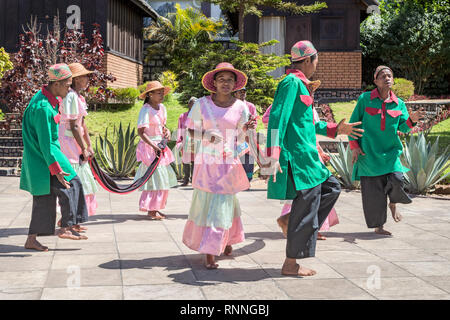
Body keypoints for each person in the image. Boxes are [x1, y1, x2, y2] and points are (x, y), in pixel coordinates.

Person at [264, 40, 363, 276]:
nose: (317, 65)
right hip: (299, 158)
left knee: (332, 188)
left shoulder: (302, 86)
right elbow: (278, 119)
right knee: (307, 208)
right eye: (316, 60)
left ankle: (290, 220)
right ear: (308, 59)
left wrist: (336, 129)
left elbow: (309, 123)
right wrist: (274, 154)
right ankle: (291, 264)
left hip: (311, 158)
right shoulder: (290, 83)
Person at [182, 62, 257, 269]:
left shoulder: (241, 107)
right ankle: (210, 249)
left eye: (230, 80)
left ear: (235, 84)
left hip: (229, 162)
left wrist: (245, 128)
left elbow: (240, 137)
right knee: (209, 202)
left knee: (225, 202)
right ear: (213, 83)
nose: (225, 83)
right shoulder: (201, 104)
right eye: (221, 79)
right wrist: (206, 135)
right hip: (207, 162)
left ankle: (225, 240)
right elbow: (190, 130)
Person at [348, 65, 425, 236]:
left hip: (390, 154)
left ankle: (393, 203)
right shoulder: (364, 99)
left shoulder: (399, 104)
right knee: (373, 194)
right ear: (375, 81)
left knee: (397, 179)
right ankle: (379, 226)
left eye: (390, 75)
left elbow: (404, 129)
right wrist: (354, 147)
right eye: (382, 76)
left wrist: (411, 121)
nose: (387, 78)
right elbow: (353, 125)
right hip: (368, 154)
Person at [20, 63, 89, 251]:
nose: (69, 88)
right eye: (67, 85)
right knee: (70, 185)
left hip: (47, 155)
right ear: (56, 83)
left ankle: (33, 239)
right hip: (44, 158)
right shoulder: (42, 107)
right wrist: (57, 170)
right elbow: (45, 143)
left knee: (46, 197)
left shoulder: (47, 99)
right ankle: (66, 226)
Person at [262, 93, 339, 240]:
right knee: (309, 194)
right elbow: (271, 121)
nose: (309, 91)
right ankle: (298, 226)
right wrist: (274, 156)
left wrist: (321, 150)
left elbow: (311, 131)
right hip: (298, 157)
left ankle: (302, 225)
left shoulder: (309, 107)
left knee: (324, 191)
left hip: (311, 155)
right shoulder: (286, 101)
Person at [58, 63, 98, 226]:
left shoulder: (78, 97)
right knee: (73, 177)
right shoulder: (71, 96)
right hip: (69, 142)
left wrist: (88, 145)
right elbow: (74, 126)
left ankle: (73, 219)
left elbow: (82, 124)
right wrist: (83, 148)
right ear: (75, 80)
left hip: (75, 141)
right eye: (84, 76)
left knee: (80, 178)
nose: (87, 79)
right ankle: (67, 219)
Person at [134, 81, 178, 220]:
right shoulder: (146, 110)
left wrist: (167, 131)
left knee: (162, 178)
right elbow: (141, 132)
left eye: (162, 92)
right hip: (150, 147)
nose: (161, 95)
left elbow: (162, 125)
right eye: (158, 93)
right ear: (150, 95)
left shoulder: (162, 107)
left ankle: (156, 207)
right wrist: (154, 146)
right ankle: (151, 209)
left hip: (160, 146)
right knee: (155, 177)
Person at [234, 87, 257, 183]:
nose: (242, 93)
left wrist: (251, 124)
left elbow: (255, 120)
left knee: (248, 158)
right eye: (240, 92)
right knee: (238, 158)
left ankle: (248, 179)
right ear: (235, 94)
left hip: (248, 136)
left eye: (244, 92)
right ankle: (239, 179)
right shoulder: (232, 106)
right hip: (236, 136)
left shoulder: (250, 106)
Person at [176, 97, 197, 186]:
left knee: (195, 161)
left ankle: (194, 180)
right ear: (189, 104)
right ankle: (186, 179)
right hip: (185, 140)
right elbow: (180, 129)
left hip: (196, 141)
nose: (194, 105)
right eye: (193, 103)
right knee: (186, 160)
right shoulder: (183, 116)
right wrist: (179, 140)